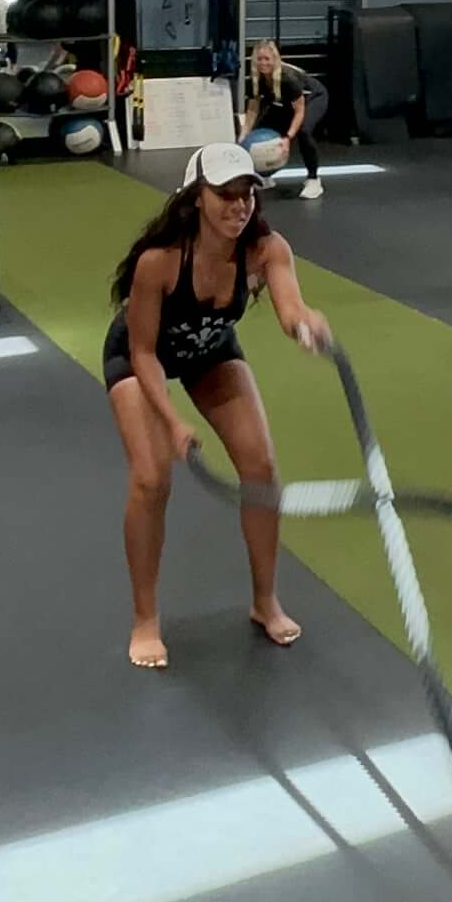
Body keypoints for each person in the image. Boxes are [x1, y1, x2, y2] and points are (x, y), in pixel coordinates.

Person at [103, 138, 333, 671]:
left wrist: (307, 324)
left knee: (261, 467)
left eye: (246, 192)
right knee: (151, 478)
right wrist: (173, 421)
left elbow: (290, 309)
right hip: (143, 356)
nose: (239, 205)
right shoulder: (159, 262)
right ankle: (145, 620)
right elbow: (143, 352)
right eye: (224, 194)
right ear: (195, 198)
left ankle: (265, 601)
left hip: (209, 350)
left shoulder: (266, 249)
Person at [241, 39, 328, 198]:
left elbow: (299, 112)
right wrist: (244, 134)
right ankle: (265, 176)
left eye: (267, 59)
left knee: (303, 131)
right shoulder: (255, 79)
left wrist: (288, 137)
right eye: (259, 59)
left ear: (274, 59)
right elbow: (253, 110)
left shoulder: (287, 78)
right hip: (287, 102)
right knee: (261, 126)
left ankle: (314, 180)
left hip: (313, 98)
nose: (263, 63)